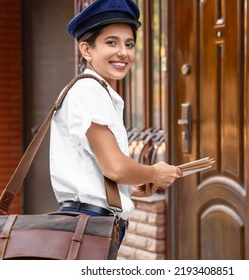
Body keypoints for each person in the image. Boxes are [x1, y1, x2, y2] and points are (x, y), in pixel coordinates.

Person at [49, 0, 182, 247]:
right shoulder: (88, 91)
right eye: (112, 42)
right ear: (86, 50)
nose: (123, 52)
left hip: (90, 221)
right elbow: (115, 168)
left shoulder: (94, 92)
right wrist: (155, 172)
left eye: (129, 44)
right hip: (90, 226)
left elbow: (90, 171)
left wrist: (128, 191)